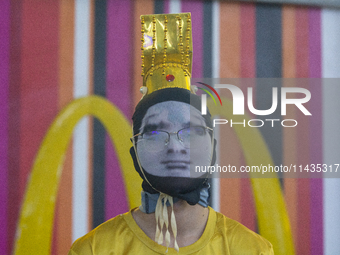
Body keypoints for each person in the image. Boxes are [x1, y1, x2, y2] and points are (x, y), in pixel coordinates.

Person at [68, 13, 274, 255]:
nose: (175, 146)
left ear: (212, 150)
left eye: (191, 131)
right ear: (135, 155)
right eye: (155, 132)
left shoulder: (250, 250)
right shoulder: (95, 249)